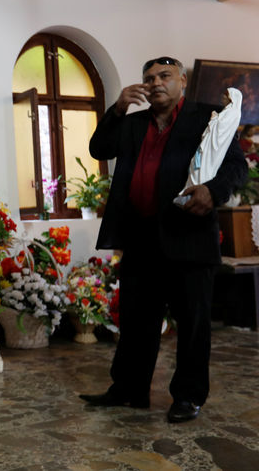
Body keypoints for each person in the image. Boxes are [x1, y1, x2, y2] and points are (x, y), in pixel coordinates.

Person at [79, 57, 247, 423]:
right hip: (141, 237)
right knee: (137, 322)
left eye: (164, 76)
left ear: (182, 81)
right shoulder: (134, 122)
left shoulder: (207, 117)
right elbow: (98, 149)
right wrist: (118, 107)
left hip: (189, 235)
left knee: (192, 323)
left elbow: (237, 167)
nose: (155, 83)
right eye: (149, 78)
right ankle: (127, 389)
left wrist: (213, 192)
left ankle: (188, 396)